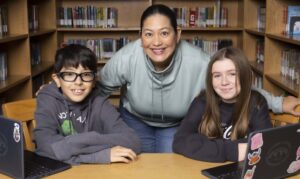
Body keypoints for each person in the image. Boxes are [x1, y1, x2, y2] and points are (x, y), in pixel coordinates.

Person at [99, 4, 300, 153]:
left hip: (176, 125)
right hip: (135, 121)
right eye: (149, 34)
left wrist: (279, 102)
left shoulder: (199, 61)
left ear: (177, 35)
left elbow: (236, 83)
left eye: (164, 33)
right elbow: (99, 90)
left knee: (172, 168)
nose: (156, 42)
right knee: (137, 167)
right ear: (140, 35)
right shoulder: (126, 58)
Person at [34, 44, 141, 165]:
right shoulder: (47, 99)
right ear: (57, 79)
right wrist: (99, 156)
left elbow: (132, 141)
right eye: (69, 74)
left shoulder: (98, 101)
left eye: (86, 75)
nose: (78, 82)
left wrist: (66, 146)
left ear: (94, 80)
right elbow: (44, 149)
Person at [172, 47, 273, 162]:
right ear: (211, 79)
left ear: (245, 76)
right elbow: (180, 141)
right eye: (217, 76)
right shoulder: (202, 101)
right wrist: (232, 151)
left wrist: (204, 145)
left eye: (232, 74)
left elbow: (265, 145)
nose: (224, 82)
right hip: (204, 167)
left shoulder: (257, 103)